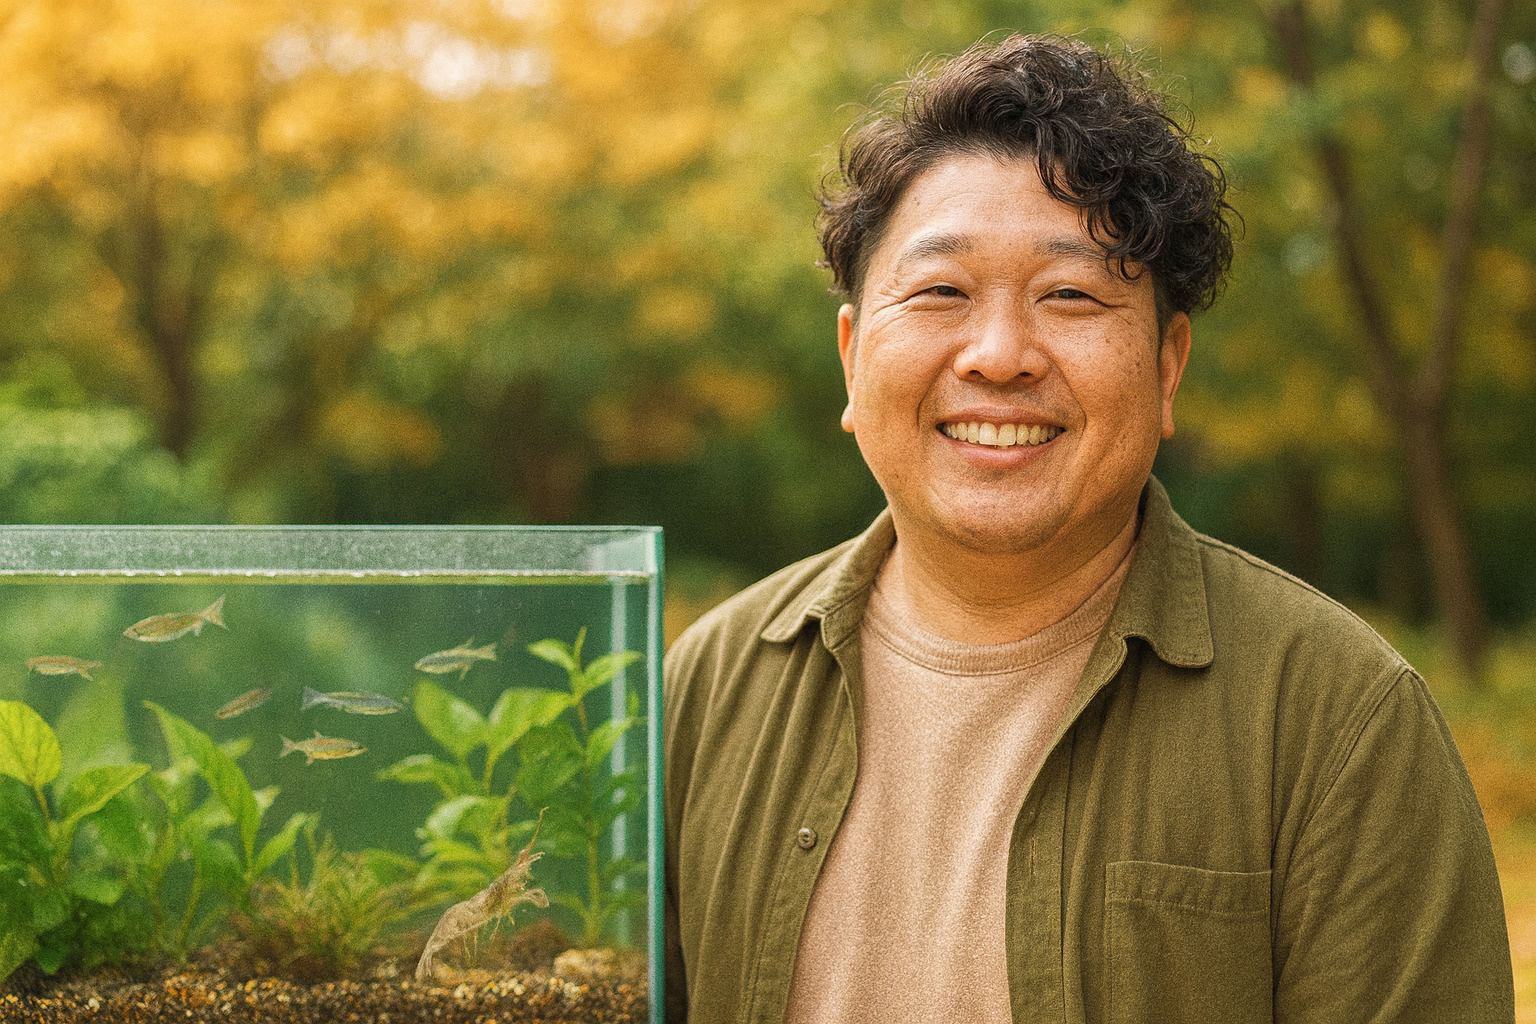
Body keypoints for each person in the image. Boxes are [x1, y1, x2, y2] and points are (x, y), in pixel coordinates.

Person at [662, 33, 1513, 1024]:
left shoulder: (1335, 719)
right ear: (853, 359)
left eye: (1069, 295)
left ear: (1167, 366)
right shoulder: (707, 687)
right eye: (941, 290)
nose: (1000, 354)